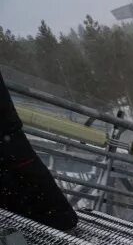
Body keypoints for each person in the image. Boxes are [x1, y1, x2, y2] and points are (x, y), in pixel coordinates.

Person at [0, 70, 78, 231]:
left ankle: (60, 224)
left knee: (26, 177)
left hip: (7, 134)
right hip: (8, 134)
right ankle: (38, 228)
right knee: (20, 181)